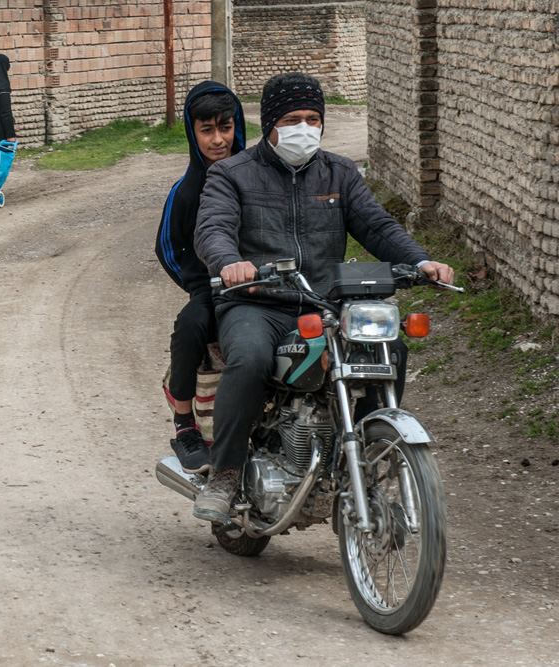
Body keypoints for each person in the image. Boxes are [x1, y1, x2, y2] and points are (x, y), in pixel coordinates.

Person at [191, 72, 455, 523]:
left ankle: (370, 451)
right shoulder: (231, 174)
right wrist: (229, 262)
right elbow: (212, 229)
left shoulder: (340, 172)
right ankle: (227, 472)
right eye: (292, 119)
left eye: (313, 119)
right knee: (251, 358)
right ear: (270, 123)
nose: (304, 128)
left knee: (389, 346)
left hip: (323, 303)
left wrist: (421, 261)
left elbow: (377, 226)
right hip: (256, 301)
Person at [155, 81, 246, 475]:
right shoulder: (185, 191)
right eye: (206, 130)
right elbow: (168, 247)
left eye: (225, 127)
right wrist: (196, 285)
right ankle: (184, 423)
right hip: (211, 288)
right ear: (192, 133)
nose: (218, 139)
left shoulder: (257, 177)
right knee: (191, 325)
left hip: (260, 286)